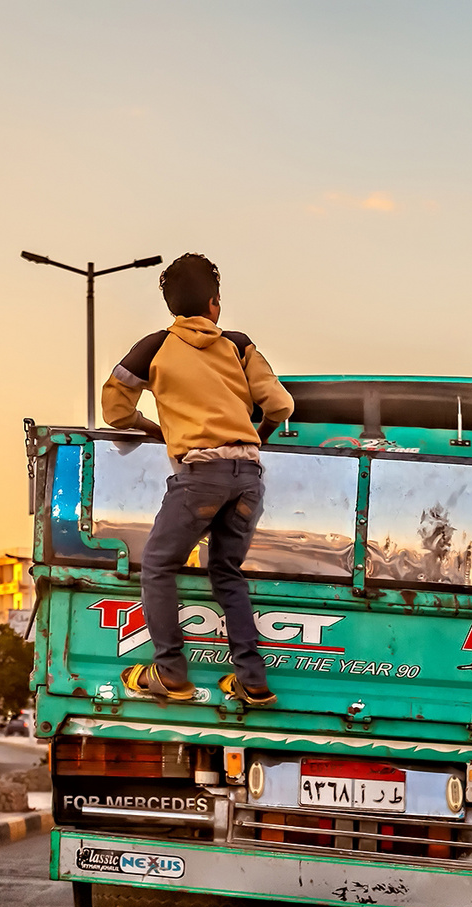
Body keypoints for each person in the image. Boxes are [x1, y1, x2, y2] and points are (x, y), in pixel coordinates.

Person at [101, 253, 295, 706]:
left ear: (172, 306)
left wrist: (154, 428)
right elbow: (281, 405)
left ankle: (170, 671)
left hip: (199, 476)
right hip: (248, 476)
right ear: (214, 303)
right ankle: (252, 679)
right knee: (226, 572)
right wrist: (255, 440)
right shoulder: (238, 343)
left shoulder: (153, 348)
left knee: (157, 565)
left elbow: (114, 411)